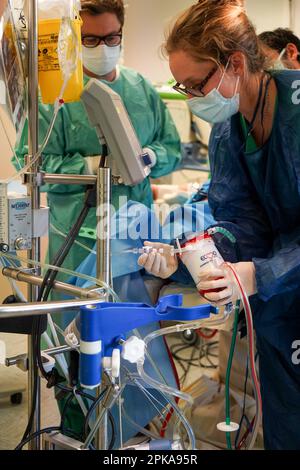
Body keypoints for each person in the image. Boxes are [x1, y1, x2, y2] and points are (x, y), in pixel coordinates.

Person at [138, 0, 300, 450]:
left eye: (196, 84)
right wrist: (189, 258)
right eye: (182, 87)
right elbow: (238, 223)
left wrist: (258, 273)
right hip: (280, 311)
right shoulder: (229, 131)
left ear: (235, 63)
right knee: (287, 423)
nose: (192, 98)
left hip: (282, 284)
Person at [14, 0, 181, 289]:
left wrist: (150, 157)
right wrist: (92, 167)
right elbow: (29, 163)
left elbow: (172, 147)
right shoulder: (54, 95)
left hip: (136, 235)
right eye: (90, 39)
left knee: (131, 324)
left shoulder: (140, 87)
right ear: (75, 37)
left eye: (111, 37)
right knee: (74, 323)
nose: (103, 47)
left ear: (121, 35)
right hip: (77, 239)